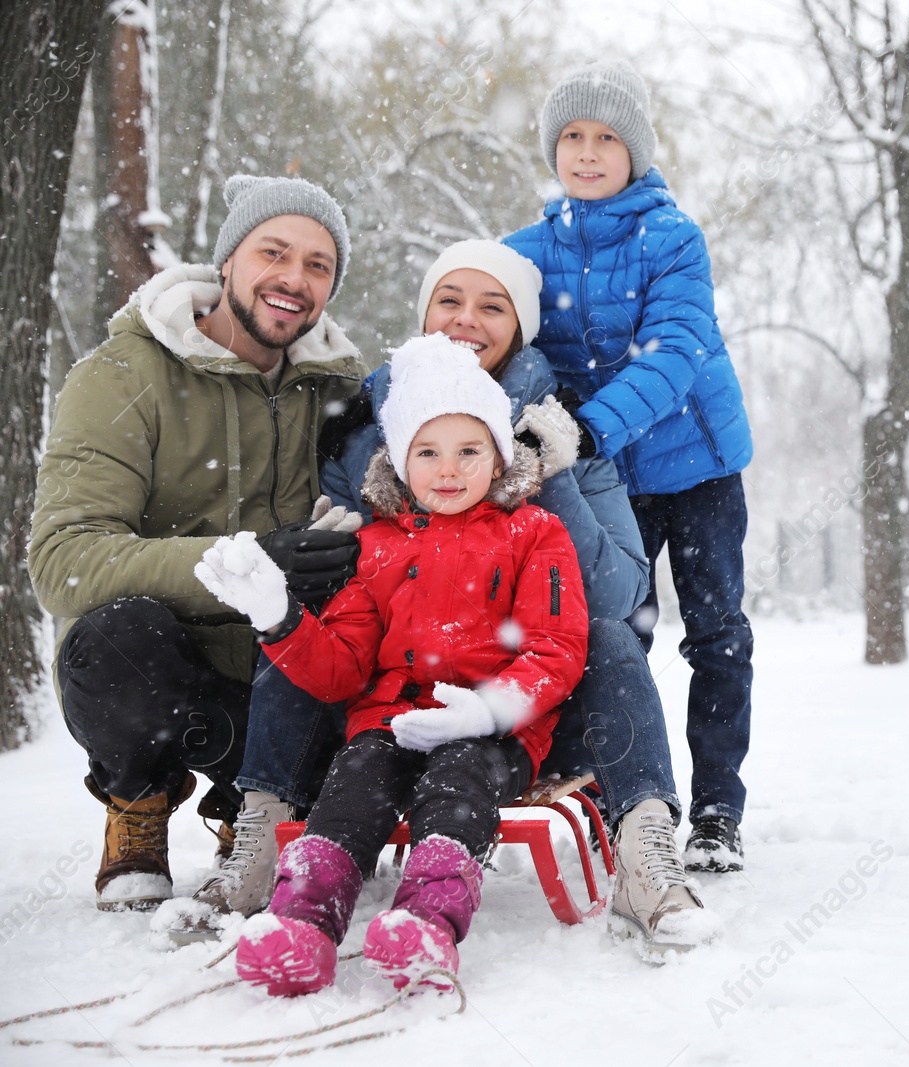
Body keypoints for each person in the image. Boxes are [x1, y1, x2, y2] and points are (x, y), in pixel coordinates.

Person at [196, 240, 713, 953]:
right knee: (297, 618)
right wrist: (313, 569)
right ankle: (264, 837)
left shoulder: (563, 429)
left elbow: (617, 594)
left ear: (520, 327)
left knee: (611, 637)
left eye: (491, 305)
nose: (467, 319)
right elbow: (348, 621)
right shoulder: (360, 425)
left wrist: (550, 472)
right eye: (450, 300)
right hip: (383, 702)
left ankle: (644, 842)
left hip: (518, 709)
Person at [197, 336, 594, 994]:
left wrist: (492, 708)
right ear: (401, 461)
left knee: (458, 780)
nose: (448, 469)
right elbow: (341, 670)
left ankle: (426, 921)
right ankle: (303, 923)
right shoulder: (375, 546)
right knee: (354, 779)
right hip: (389, 721)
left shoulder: (532, 532)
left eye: (470, 450)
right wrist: (280, 618)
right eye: (428, 451)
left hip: (490, 728)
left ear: (498, 454)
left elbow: (557, 646)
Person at [28, 175, 365, 912]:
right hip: (167, 666)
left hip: (289, 672)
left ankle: (246, 808)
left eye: (318, 264)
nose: (293, 279)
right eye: (272, 252)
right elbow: (63, 559)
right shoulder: (125, 374)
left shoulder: (339, 390)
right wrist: (248, 559)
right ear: (226, 262)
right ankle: (138, 802)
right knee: (118, 636)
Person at [505, 60, 756, 872]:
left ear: (635, 151)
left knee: (714, 632)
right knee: (612, 634)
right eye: (571, 136)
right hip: (607, 480)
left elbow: (674, 351)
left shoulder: (674, 239)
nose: (586, 152)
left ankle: (717, 805)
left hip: (695, 467)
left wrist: (584, 426)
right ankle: (625, 795)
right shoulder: (526, 253)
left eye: (605, 137)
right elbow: (483, 338)